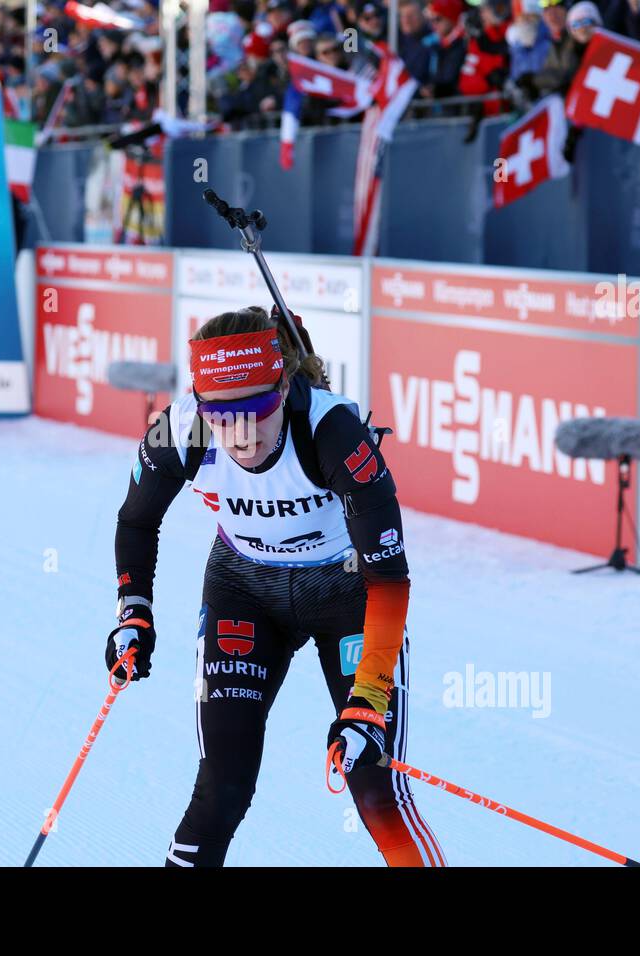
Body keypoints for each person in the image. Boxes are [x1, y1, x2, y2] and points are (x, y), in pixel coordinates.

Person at [108, 306, 445, 867]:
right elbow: (136, 521)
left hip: (346, 592)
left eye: (258, 409)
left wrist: (367, 702)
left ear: (284, 386)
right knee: (222, 789)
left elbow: (388, 579)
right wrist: (133, 611)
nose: (240, 434)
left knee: (373, 786)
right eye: (220, 413)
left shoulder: (334, 432)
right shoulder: (180, 425)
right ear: (199, 401)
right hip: (243, 589)